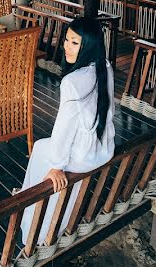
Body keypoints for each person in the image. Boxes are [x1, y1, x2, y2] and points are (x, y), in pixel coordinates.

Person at [19, 17, 115, 245]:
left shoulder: (72, 81)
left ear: (88, 46)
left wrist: (56, 166)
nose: (66, 46)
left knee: (42, 152)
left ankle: (33, 220)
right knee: (42, 147)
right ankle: (26, 198)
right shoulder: (105, 67)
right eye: (66, 40)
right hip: (102, 148)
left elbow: (63, 129)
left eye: (74, 42)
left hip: (82, 157)